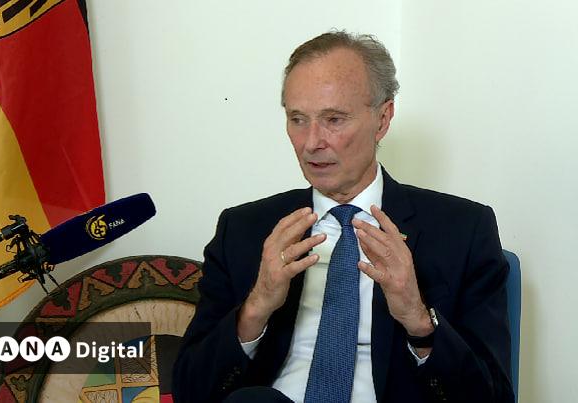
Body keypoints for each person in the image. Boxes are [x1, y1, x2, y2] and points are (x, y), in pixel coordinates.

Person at [172, 31, 513, 403]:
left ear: (382, 119)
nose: (311, 142)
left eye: (333, 119)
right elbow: (190, 391)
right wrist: (257, 306)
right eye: (297, 119)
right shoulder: (243, 229)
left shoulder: (463, 230)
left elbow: (493, 396)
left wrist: (417, 318)